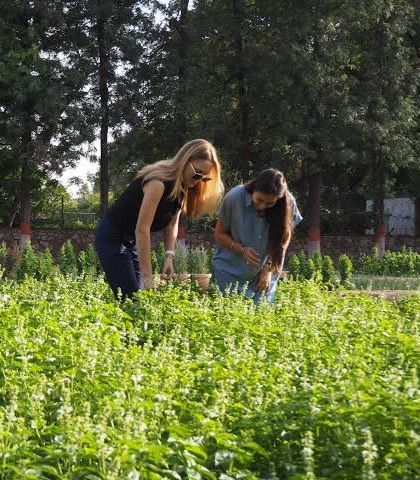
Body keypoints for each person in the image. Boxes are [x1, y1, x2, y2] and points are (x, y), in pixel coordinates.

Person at [95, 139, 224, 299]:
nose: (198, 181)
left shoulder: (182, 188)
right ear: (184, 161)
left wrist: (169, 256)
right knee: (131, 297)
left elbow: (172, 225)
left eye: (204, 178)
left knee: (137, 297)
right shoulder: (158, 183)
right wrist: (148, 277)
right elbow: (142, 229)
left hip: (130, 240)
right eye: (197, 174)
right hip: (112, 237)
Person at [213, 168, 302, 304]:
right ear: (253, 189)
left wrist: (268, 268)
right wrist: (241, 250)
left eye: (270, 203)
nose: (262, 206)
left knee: (261, 318)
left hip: (263, 279)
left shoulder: (287, 203)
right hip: (229, 272)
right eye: (259, 200)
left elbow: (284, 238)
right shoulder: (235, 197)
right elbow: (219, 234)